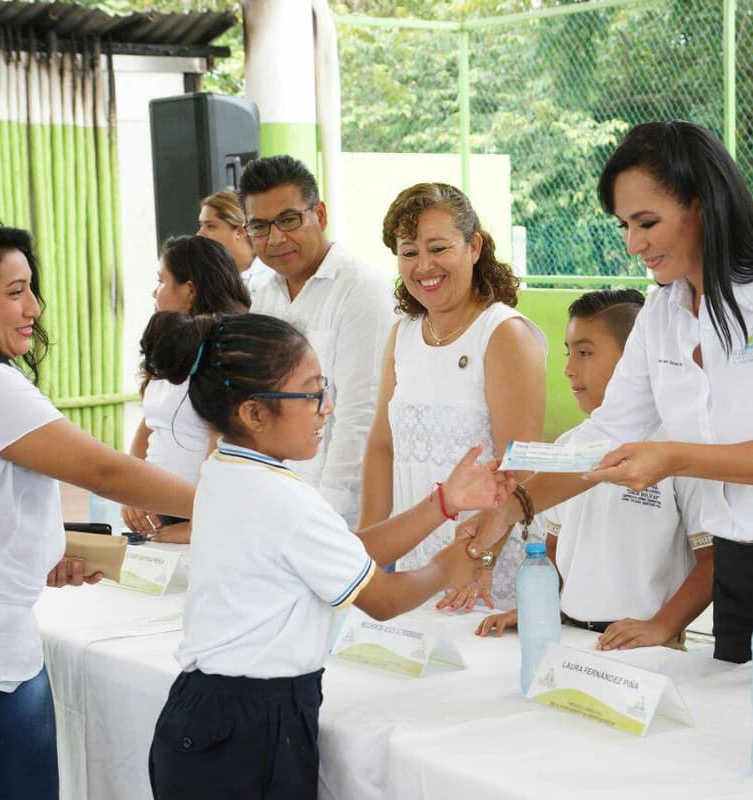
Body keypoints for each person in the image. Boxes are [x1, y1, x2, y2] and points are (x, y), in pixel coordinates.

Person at [461, 121, 753, 706]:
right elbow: (606, 433)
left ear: (704, 205)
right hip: (742, 578)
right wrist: (513, 505)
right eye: (625, 225)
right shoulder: (663, 312)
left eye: (647, 222)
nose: (634, 243)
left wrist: (673, 456)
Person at [142, 311, 507, 799]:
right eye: (312, 393)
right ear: (254, 412)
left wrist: (444, 504)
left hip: (208, 713)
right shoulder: (285, 499)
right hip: (251, 730)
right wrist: (448, 567)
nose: (327, 407)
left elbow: (344, 553)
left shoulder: (227, 469)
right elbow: (382, 599)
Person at [0, 220, 196, 800]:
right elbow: (105, 471)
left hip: (0, 641)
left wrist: (45, 552)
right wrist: (233, 503)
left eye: (31, 287)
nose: (33, 307)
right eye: (13, 292)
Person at [476, 289, 714, 648]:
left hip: (645, 646)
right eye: (568, 353)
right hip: (571, 637)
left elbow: (712, 561)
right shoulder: (569, 447)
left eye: (585, 353)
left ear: (636, 358)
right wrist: (540, 608)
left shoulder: (676, 449)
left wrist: (661, 627)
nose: (569, 369)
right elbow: (556, 550)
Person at [360, 182, 546, 609]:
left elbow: (524, 468)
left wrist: (481, 558)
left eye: (438, 248)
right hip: (414, 563)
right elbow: (381, 446)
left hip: (485, 568)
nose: (424, 266)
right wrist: (367, 552)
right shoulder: (402, 335)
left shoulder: (504, 334)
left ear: (474, 246)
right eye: (409, 253)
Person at [240, 156, 394, 526]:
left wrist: (326, 513)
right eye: (260, 227)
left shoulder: (362, 292)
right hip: (279, 500)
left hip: (341, 513)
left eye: (289, 220)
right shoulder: (265, 295)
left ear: (319, 215)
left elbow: (362, 415)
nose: (275, 238)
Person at [120, 235, 251, 542]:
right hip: (159, 511)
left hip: (203, 516)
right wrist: (131, 493)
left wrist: (199, 522)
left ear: (190, 289)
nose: (154, 291)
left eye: (161, 280)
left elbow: (224, 444)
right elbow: (148, 427)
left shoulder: (227, 349)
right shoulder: (172, 345)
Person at [197, 190, 274, 298]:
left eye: (210, 226)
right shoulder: (214, 279)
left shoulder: (270, 280)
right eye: (201, 225)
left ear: (239, 232)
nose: (200, 234)